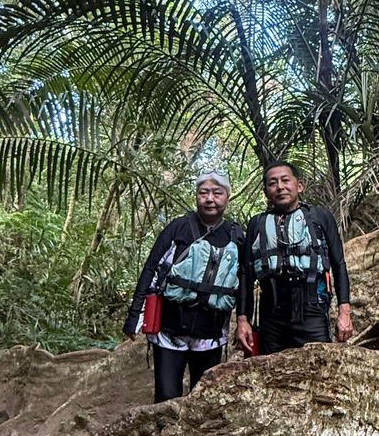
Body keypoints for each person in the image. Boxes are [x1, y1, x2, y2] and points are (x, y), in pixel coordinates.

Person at [123, 170, 243, 401]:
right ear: (196, 196)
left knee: (202, 399)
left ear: (227, 197)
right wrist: (134, 316)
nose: (210, 199)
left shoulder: (235, 236)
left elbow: (243, 281)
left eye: (217, 193)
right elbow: (151, 268)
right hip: (170, 330)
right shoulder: (178, 228)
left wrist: (243, 321)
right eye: (203, 193)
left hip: (211, 334)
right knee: (166, 396)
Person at [235, 161, 352, 355]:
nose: (280, 187)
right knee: (270, 368)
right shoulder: (257, 223)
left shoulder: (320, 217)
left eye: (285, 180)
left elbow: (338, 264)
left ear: (299, 186)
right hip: (271, 313)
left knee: (317, 364)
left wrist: (344, 312)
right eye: (272, 183)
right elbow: (246, 274)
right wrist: (242, 320)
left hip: (312, 309)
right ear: (266, 191)